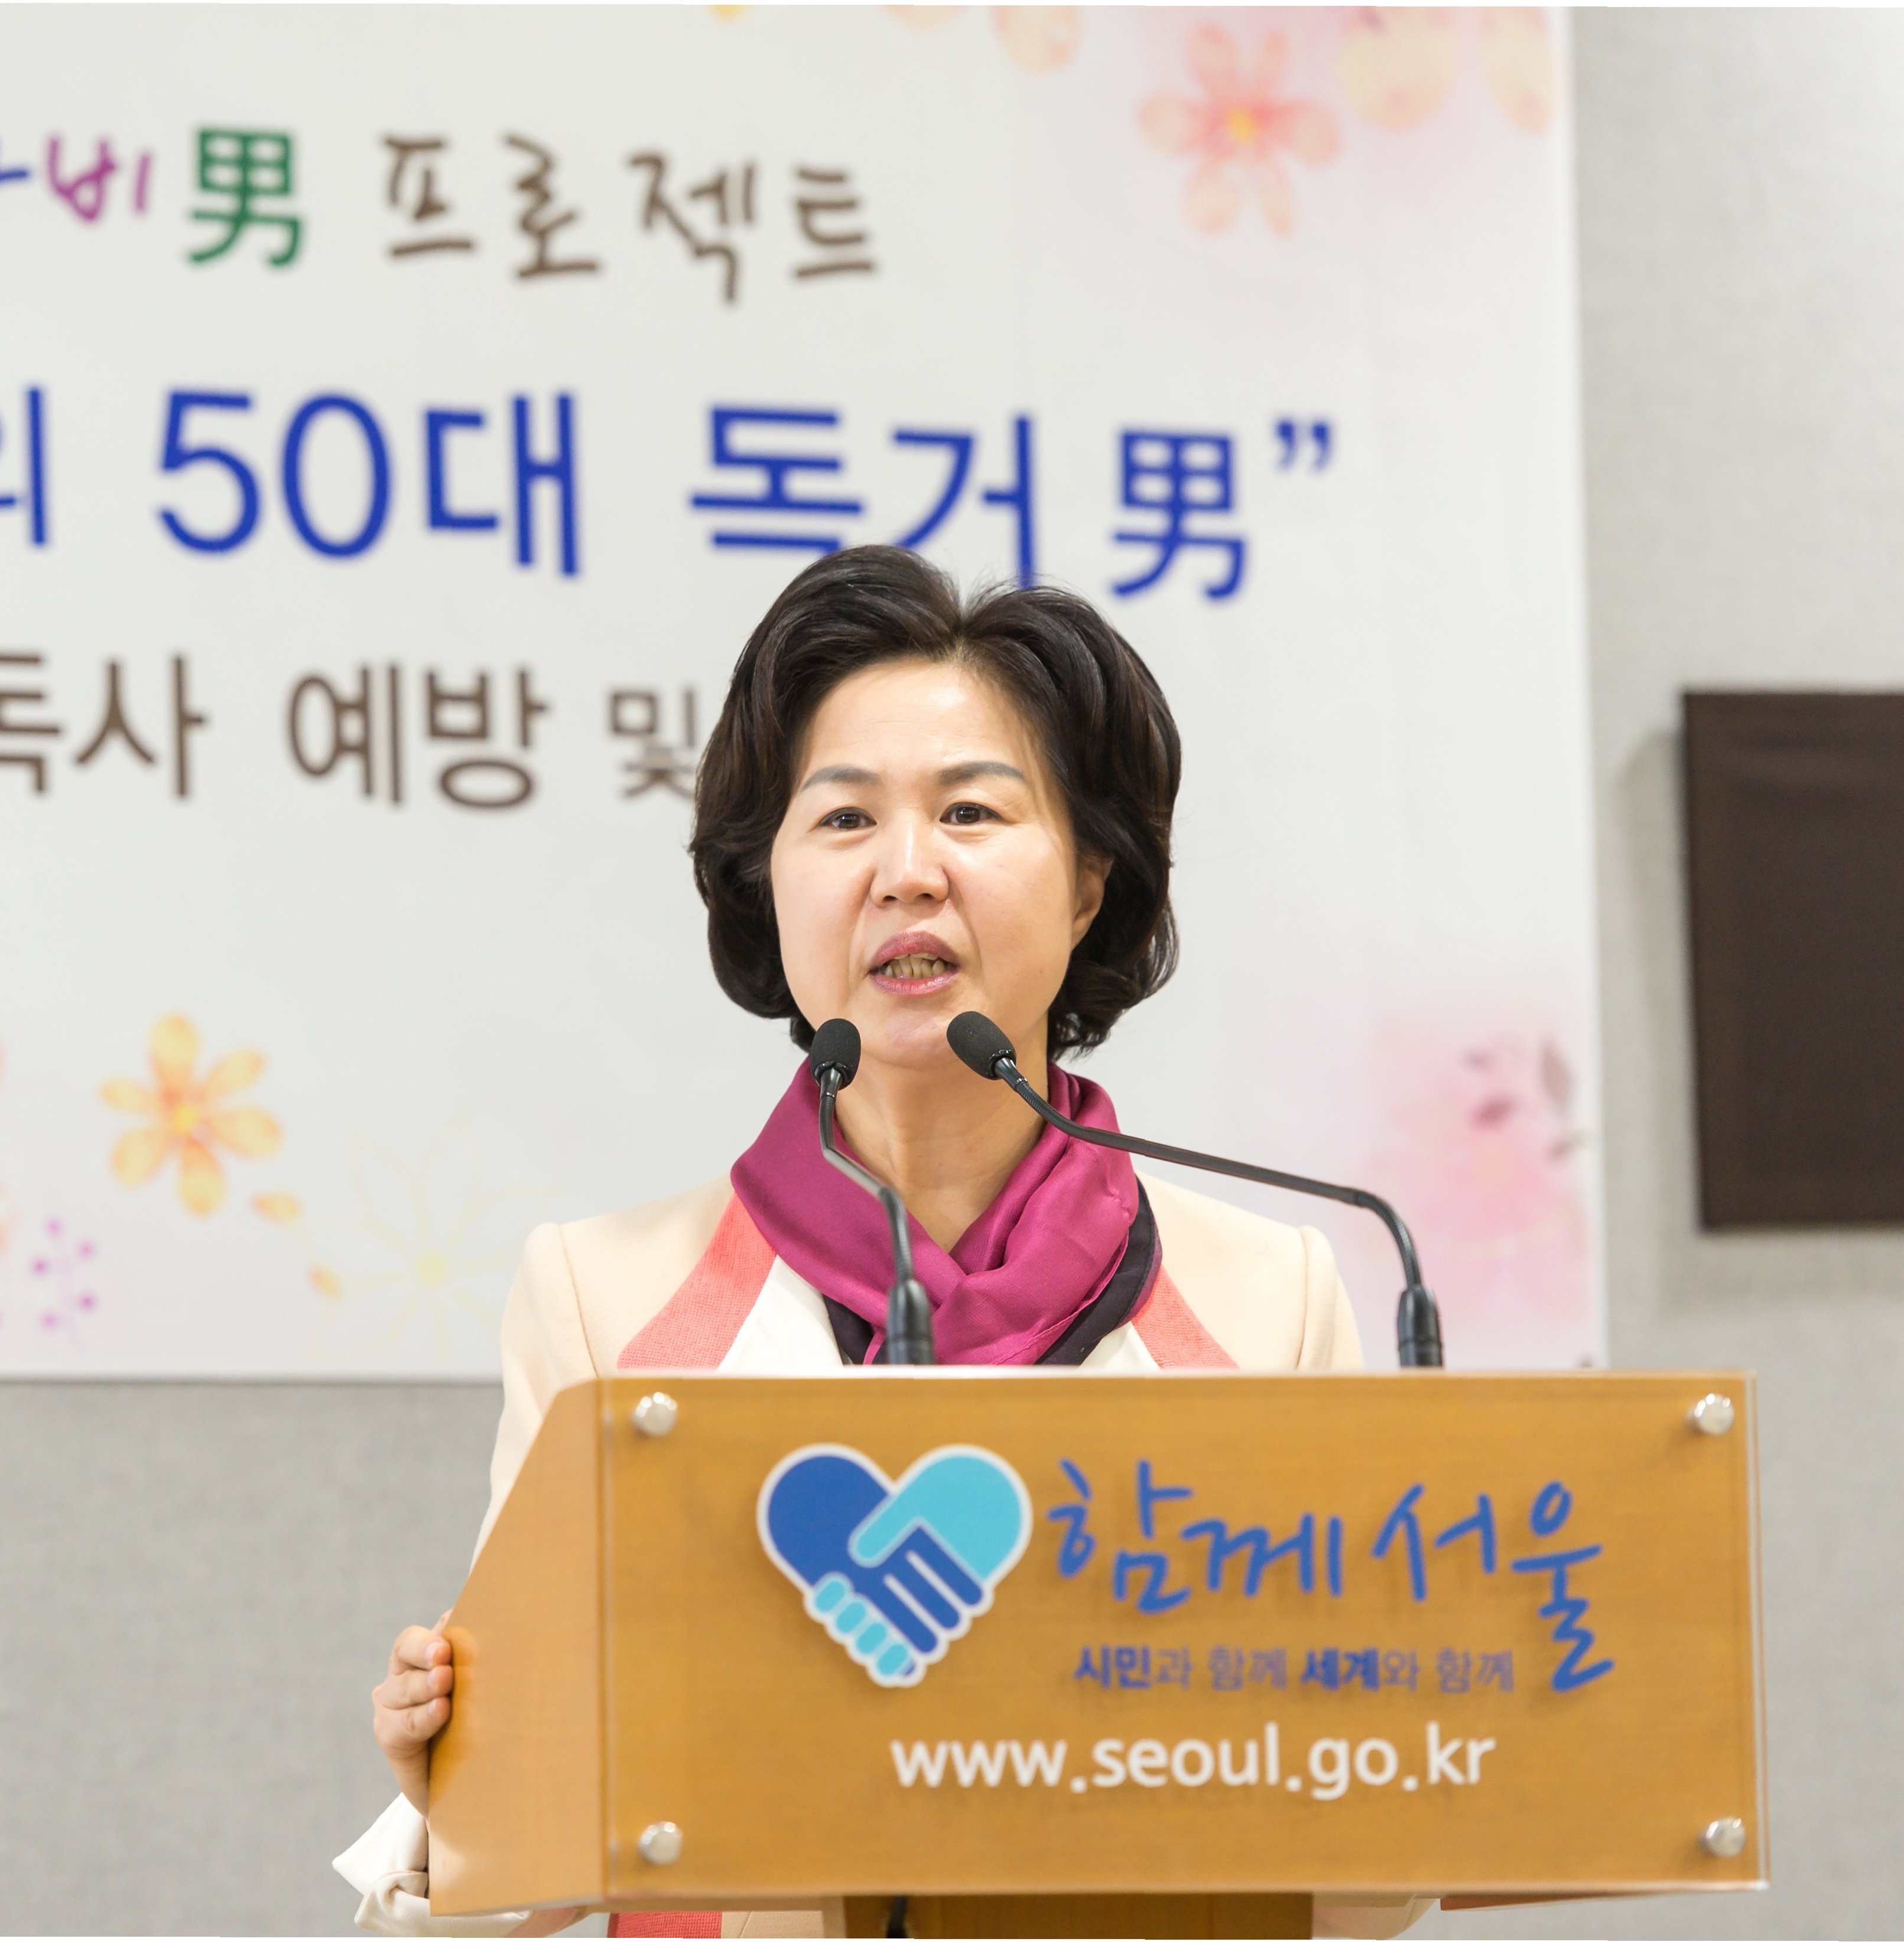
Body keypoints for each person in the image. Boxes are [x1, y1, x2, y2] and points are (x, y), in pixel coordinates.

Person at [335, 549, 1419, 1941]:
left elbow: (1368, 1870)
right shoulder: (606, 1301)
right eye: (844, 819)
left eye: (971, 810)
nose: (908, 873)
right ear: (767, 884)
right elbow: (512, 1888)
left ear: (1089, 882)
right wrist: (454, 1799)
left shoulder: (1270, 1298)